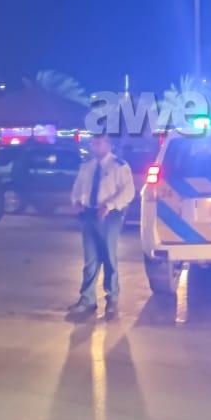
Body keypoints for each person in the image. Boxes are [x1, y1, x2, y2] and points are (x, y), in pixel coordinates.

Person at [66, 134, 137, 319]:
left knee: (108, 257)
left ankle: (112, 300)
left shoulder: (119, 166)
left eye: (98, 143)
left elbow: (128, 191)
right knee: (90, 259)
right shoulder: (87, 166)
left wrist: (110, 205)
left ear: (108, 145)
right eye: (93, 143)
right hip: (89, 214)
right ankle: (87, 299)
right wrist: (76, 201)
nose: (95, 146)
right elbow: (78, 187)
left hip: (109, 216)